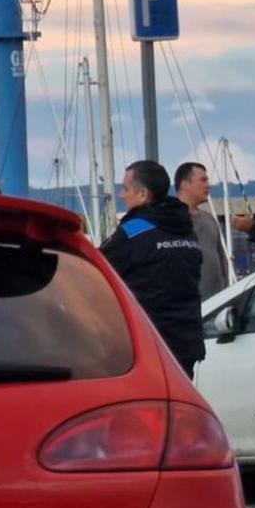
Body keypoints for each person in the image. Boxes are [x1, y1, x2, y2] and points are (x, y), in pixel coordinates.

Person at [101, 160, 205, 378]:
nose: (122, 195)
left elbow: (98, 267)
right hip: (186, 340)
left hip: (150, 343)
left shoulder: (135, 231)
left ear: (143, 195)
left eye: (126, 189)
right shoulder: (184, 227)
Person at [175, 161, 230, 300]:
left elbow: (221, 258)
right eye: (203, 180)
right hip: (187, 303)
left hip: (216, 302)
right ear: (185, 184)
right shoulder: (170, 219)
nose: (208, 185)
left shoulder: (209, 220)